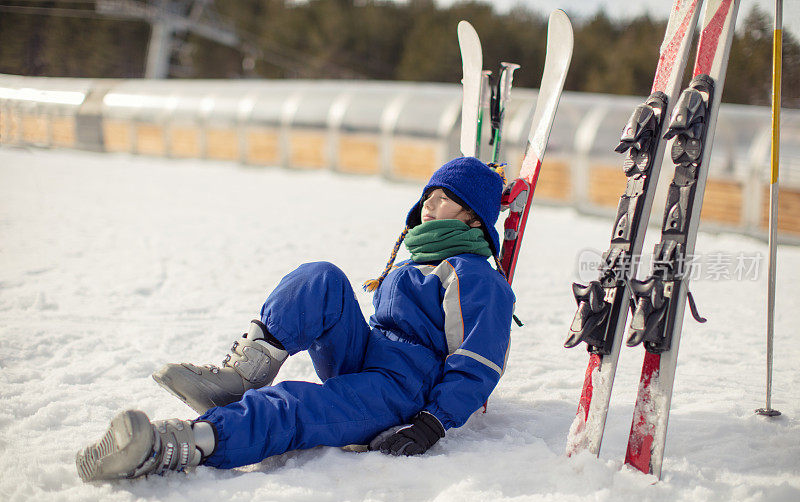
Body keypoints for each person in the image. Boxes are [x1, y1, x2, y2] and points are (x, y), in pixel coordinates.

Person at [76, 156, 516, 481]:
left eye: (443, 201)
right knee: (321, 278)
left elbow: (479, 362)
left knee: (298, 404)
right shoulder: (413, 263)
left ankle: (179, 443)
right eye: (427, 199)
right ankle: (241, 375)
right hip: (370, 353)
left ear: (474, 219)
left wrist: (431, 422)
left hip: (402, 388)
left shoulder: (478, 278)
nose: (428, 208)